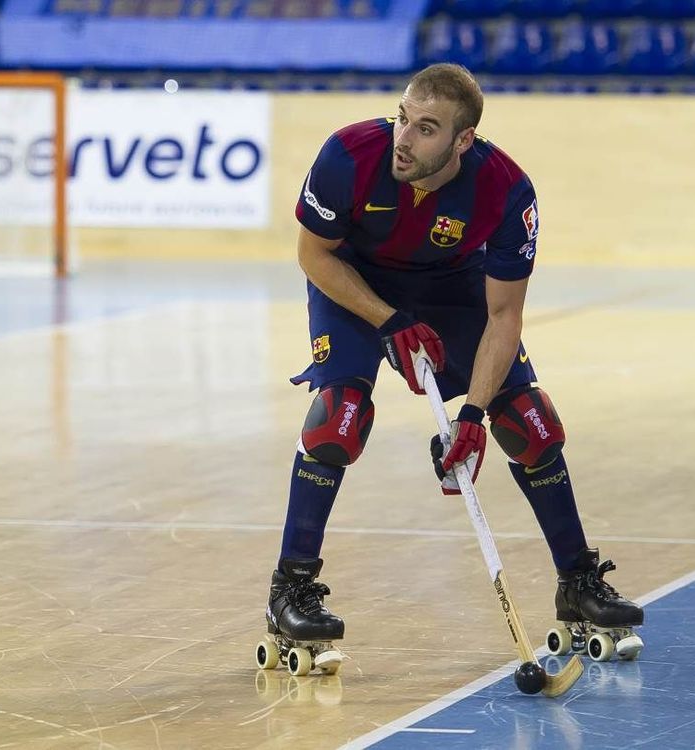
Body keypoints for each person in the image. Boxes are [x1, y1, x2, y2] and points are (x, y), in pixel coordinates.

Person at [261, 64, 643, 671]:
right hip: (353, 282)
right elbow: (313, 255)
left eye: (427, 129)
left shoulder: (506, 191)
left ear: (464, 140)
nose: (404, 139)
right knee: (340, 417)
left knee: (529, 420)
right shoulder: (348, 155)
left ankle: (578, 581)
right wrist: (388, 319)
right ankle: (291, 590)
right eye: (403, 118)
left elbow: (504, 315)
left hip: (449, 286)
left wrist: (472, 415)